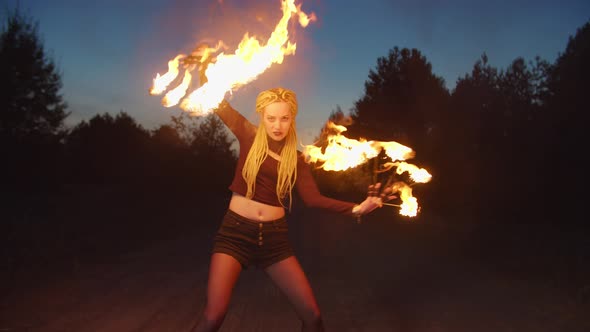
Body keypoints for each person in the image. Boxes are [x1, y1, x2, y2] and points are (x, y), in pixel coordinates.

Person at [191, 87, 395, 332]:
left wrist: (357, 208)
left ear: (292, 119)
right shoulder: (249, 134)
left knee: (313, 316)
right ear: (262, 118)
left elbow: (313, 199)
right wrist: (205, 71)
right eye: (271, 118)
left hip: (274, 241)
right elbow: (218, 102)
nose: (278, 125)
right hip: (235, 234)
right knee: (214, 316)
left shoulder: (298, 160)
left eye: (284, 118)